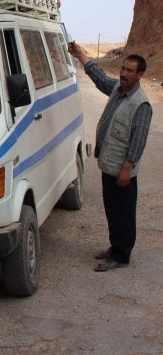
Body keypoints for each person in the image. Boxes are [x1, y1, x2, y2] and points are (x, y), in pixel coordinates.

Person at [67, 43, 153, 272]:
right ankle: (115, 247)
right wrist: (81, 56)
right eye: (123, 69)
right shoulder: (118, 89)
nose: (124, 73)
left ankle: (122, 255)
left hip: (122, 170)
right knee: (112, 210)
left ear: (140, 75)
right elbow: (99, 77)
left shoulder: (141, 104)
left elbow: (138, 141)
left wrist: (127, 168)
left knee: (123, 213)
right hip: (109, 164)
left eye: (130, 71)